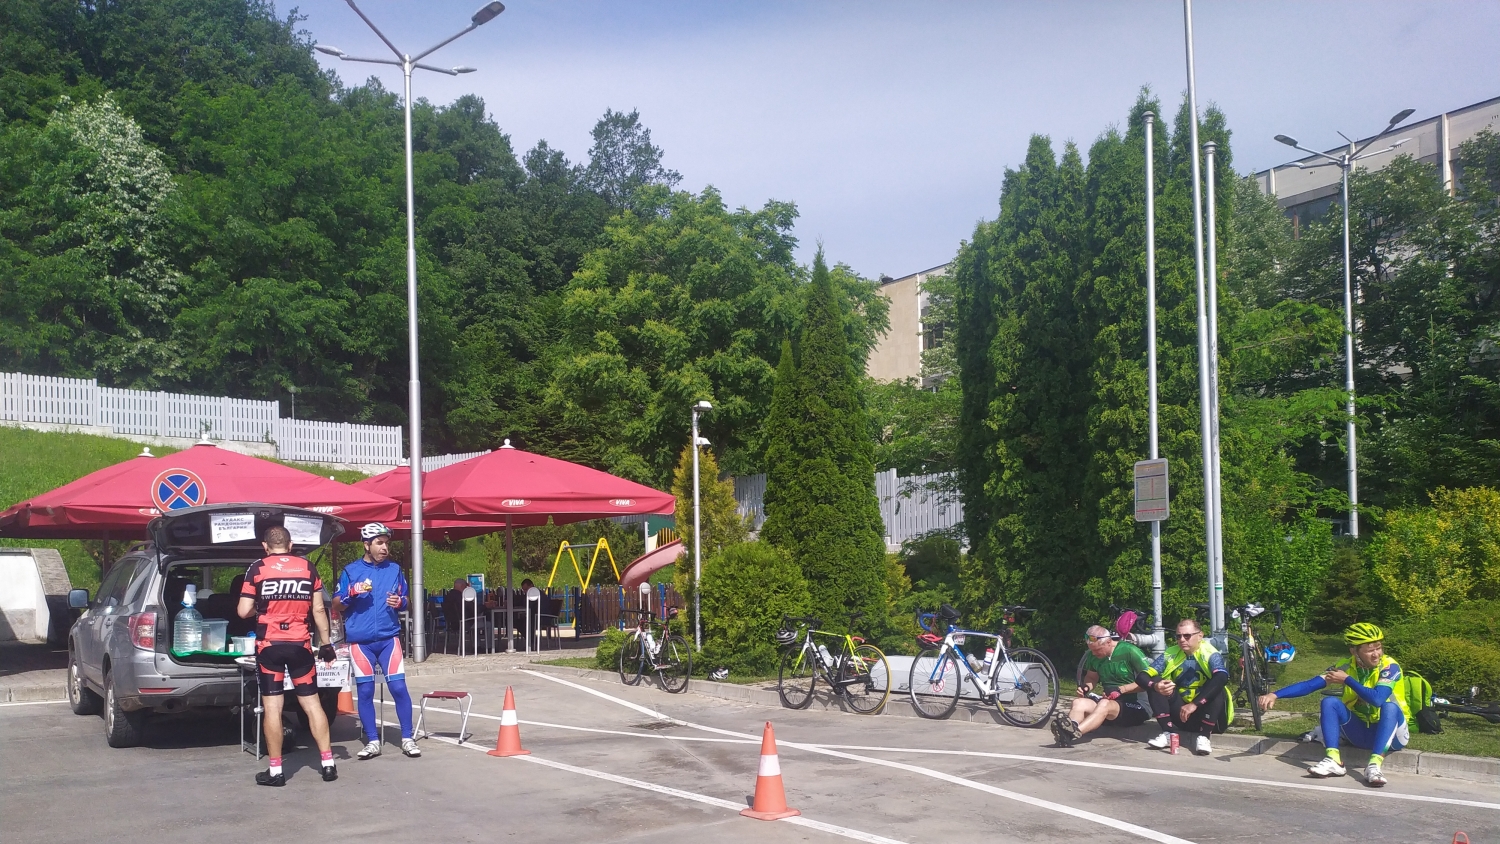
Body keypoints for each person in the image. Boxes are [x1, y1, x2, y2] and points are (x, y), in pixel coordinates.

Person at [237, 525, 339, 786]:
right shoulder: (307, 568)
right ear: (290, 545)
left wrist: (263, 608)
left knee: (273, 707)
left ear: (265, 546)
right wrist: (326, 644)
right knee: (312, 704)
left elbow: (243, 611)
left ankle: (276, 771)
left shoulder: (257, 568)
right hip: (300, 645)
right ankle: (328, 764)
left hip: (269, 646)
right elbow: (318, 610)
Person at [1258, 622, 1409, 787]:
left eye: (1378, 648)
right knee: (1330, 702)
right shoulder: (1344, 666)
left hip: (1393, 735)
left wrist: (1347, 680)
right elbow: (1310, 685)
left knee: (1389, 706)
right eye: (1369, 650)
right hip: (1360, 733)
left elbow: (1377, 699)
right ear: (1354, 651)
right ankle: (1333, 760)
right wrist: (1275, 694)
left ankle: (1374, 766)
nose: (1376, 654)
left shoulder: (1390, 666)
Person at [333, 523, 419, 760]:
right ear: (366, 545)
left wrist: (400, 602)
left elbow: (407, 601)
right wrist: (351, 593)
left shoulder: (395, 569)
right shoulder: (351, 571)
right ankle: (372, 741)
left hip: (389, 638)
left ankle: (407, 738)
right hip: (360, 642)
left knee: (399, 688)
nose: (385, 548)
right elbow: (337, 604)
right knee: (366, 690)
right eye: (379, 543)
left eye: (387, 543)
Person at [1052, 625, 1155, 747]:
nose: (1094, 653)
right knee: (1078, 702)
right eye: (1091, 650)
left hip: (1137, 707)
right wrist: (1086, 688)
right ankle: (1071, 727)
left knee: (1104, 704)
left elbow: (1149, 682)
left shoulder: (1130, 651)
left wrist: (1121, 690)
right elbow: (1091, 678)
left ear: (1109, 642)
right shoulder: (1093, 655)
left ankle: (1071, 734)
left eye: (1097, 650)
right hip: (1109, 705)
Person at [1145, 619, 1231, 755]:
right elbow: (1143, 676)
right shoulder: (1171, 653)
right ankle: (1168, 733)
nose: (1182, 640)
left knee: (1217, 686)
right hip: (1183, 715)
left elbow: (1222, 677)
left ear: (1200, 636)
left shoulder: (1210, 653)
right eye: (1178, 636)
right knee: (1157, 683)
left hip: (1210, 718)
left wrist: (1195, 704)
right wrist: (1155, 686)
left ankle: (1204, 737)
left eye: (1187, 636)